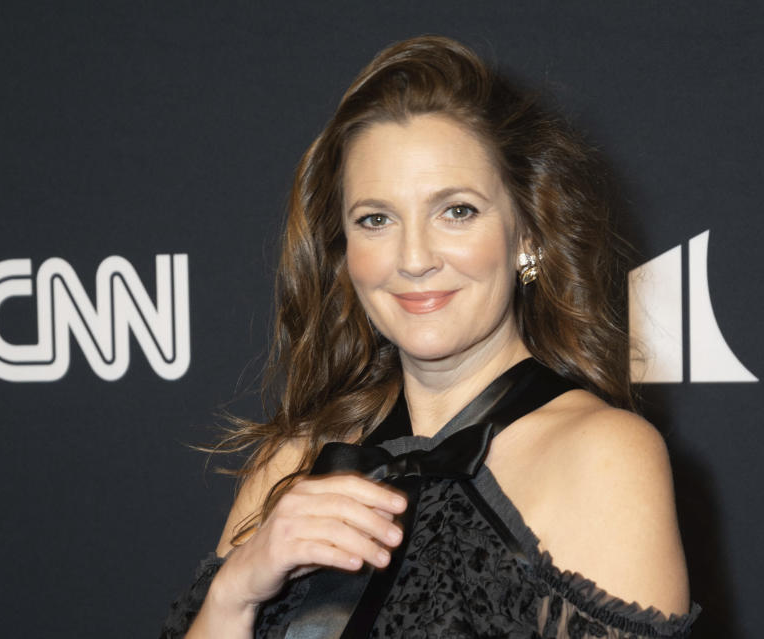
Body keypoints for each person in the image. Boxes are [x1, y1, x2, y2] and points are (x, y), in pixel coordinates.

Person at [162, 35, 700, 638]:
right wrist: (235, 593)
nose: (413, 258)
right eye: (376, 220)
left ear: (527, 232)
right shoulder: (289, 461)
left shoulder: (603, 457)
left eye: (457, 211)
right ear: (345, 254)